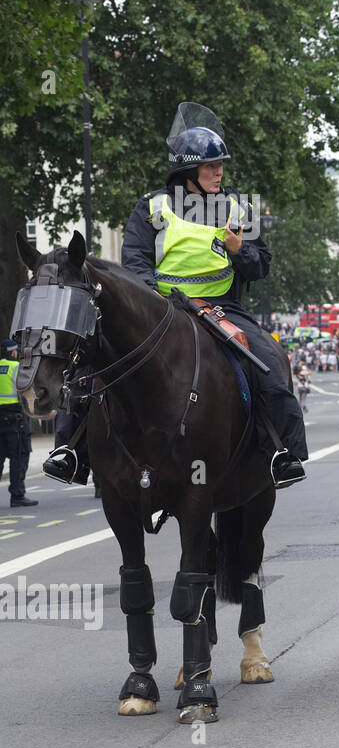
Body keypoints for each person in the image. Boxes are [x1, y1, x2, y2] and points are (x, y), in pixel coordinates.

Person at [46, 101, 307, 488]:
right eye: (210, 166)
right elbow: (135, 259)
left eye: (220, 165)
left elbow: (261, 265)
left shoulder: (238, 208)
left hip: (221, 309)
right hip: (160, 309)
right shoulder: (152, 208)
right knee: (91, 362)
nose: (219, 172)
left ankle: (282, 452)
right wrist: (152, 297)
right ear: (188, 171)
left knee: (266, 359)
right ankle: (70, 451)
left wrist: (240, 250)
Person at [1, 339, 38, 507]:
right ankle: (17, 495)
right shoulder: (16, 368)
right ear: (13, 352)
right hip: (14, 421)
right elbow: (27, 393)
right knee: (19, 457)